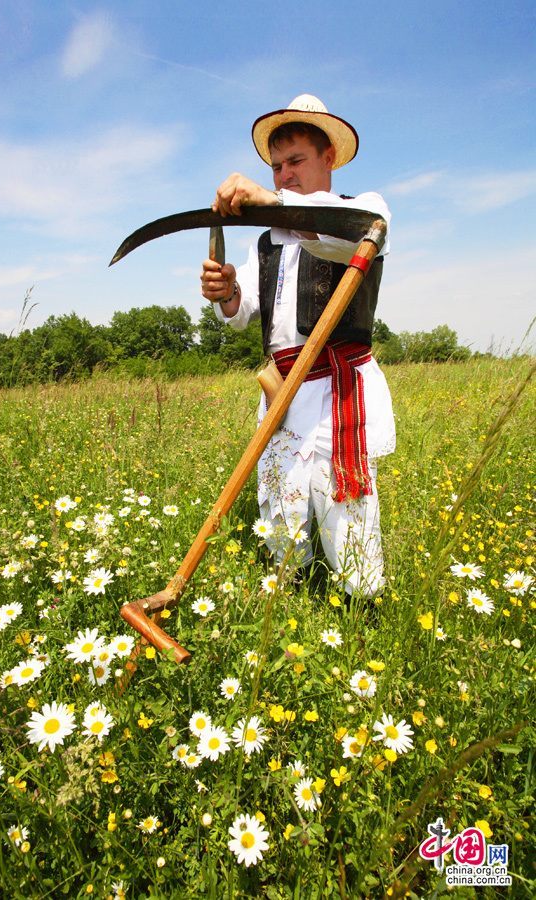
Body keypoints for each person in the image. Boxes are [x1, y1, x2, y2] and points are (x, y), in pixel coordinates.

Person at [200, 94, 395, 598]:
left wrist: (273, 202)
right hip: (282, 391)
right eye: (276, 166)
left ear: (328, 157)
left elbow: (355, 235)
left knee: (344, 514)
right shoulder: (264, 241)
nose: (284, 175)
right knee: (281, 512)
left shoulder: (362, 212)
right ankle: (295, 597)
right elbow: (243, 313)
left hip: (338, 391)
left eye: (296, 161)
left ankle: (360, 612)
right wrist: (228, 291)